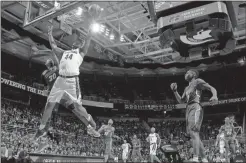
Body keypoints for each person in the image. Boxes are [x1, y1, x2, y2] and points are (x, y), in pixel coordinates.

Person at [33, 10, 101, 146]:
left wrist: (92, 24)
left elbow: (88, 38)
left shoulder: (81, 53)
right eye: (77, 40)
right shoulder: (64, 52)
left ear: (81, 46)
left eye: (80, 41)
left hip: (71, 80)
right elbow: (53, 46)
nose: (78, 41)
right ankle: (41, 129)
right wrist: (49, 33)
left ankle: (90, 122)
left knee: (77, 106)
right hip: (60, 80)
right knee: (49, 104)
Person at [170, 69, 218, 162]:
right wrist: (175, 91)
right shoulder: (186, 88)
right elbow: (181, 101)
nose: (186, 73)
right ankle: (204, 159)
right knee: (194, 134)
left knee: (194, 132)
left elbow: (211, 88)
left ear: (194, 74)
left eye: (188, 72)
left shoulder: (197, 81)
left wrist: (215, 95)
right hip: (188, 108)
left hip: (195, 107)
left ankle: (195, 158)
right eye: (185, 72)